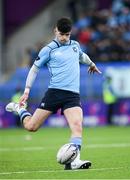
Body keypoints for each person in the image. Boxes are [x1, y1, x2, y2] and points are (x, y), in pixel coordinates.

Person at [6, 17, 101, 170]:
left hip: (72, 95)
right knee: (31, 127)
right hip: (54, 93)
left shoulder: (75, 45)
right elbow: (34, 69)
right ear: (55, 31)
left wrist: (91, 64)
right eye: (62, 34)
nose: (64, 38)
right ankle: (20, 110)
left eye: (67, 35)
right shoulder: (48, 49)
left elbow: (82, 56)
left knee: (77, 125)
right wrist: (27, 90)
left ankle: (73, 162)